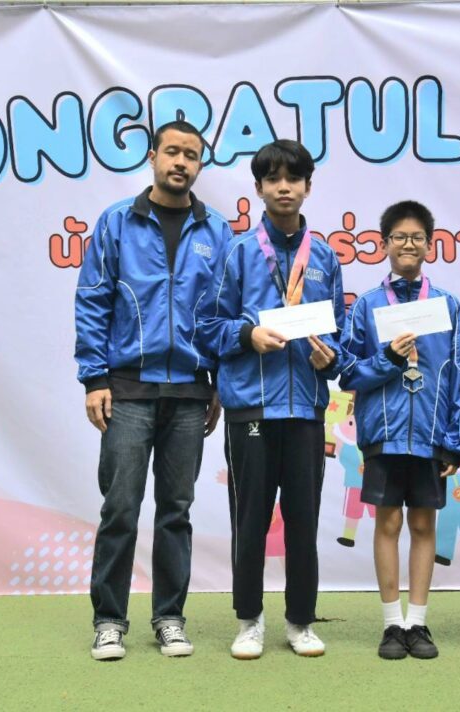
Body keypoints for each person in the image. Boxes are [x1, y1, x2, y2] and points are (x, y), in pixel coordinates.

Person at [74, 120, 230, 661]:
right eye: (172, 152)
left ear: (200, 165)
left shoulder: (217, 231)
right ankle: (109, 620)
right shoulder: (117, 222)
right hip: (128, 391)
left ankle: (169, 618)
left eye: (191, 154)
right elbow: (93, 300)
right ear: (153, 156)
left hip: (190, 394)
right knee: (120, 508)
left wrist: (218, 382)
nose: (181, 162)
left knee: (176, 511)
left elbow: (224, 312)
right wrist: (95, 378)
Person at [200, 139, 346, 659]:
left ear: (308, 186)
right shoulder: (239, 252)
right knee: (251, 520)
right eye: (273, 179)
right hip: (252, 408)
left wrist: (330, 358)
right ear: (259, 188)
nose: (284, 187)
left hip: (306, 409)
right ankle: (249, 621)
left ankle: (300, 621)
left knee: (303, 520)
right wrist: (248, 335)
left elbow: (341, 335)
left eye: (293, 178)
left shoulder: (324, 257)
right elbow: (207, 326)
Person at [338, 200, 460, 660]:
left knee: (424, 524)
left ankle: (418, 622)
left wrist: (455, 440)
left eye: (416, 237)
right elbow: (348, 373)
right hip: (384, 434)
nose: (408, 244)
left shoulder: (447, 305)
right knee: (389, 522)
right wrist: (389, 358)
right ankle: (392, 624)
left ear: (430, 245)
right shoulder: (367, 305)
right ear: (385, 244)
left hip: (431, 436)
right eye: (399, 237)